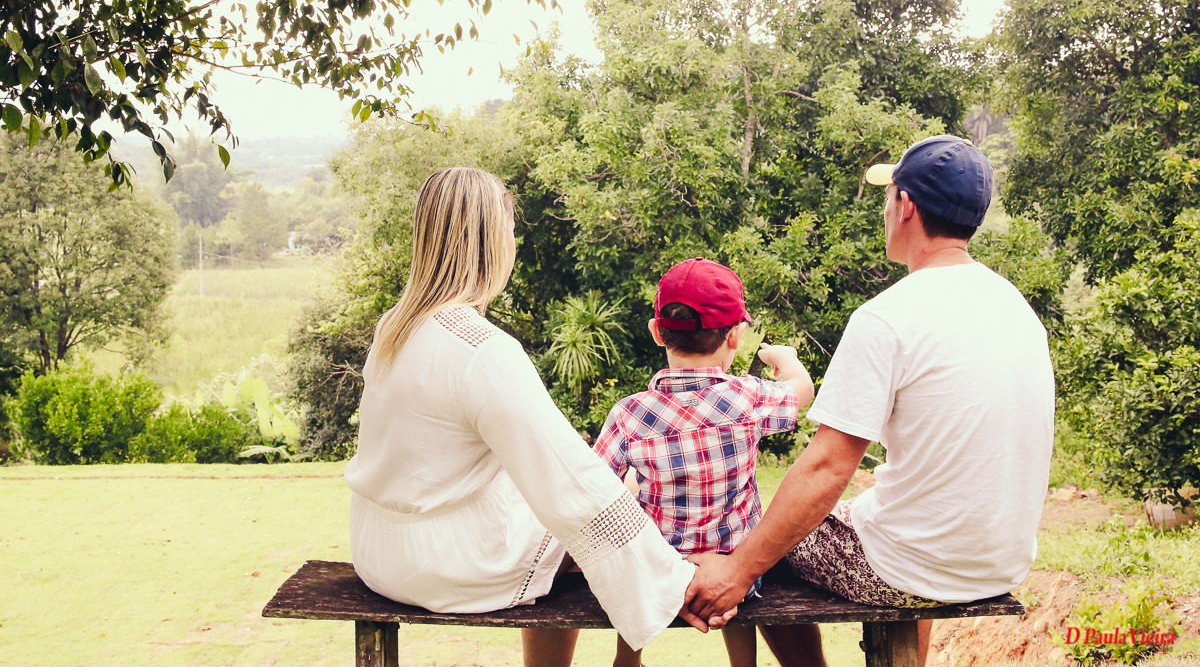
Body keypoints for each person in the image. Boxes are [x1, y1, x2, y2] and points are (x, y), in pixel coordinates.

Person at [682, 135, 1056, 667]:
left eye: (889, 195)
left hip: (913, 569)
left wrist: (736, 572)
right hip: (1001, 561)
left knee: (750, 531)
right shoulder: (1014, 306)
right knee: (856, 514)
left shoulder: (887, 317)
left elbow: (826, 468)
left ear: (905, 206)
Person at [344, 167, 702, 667]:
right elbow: (570, 480)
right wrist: (675, 577)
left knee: (552, 500)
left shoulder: (395, 326)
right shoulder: (482, 349)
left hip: (378, 550)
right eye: (510, 230)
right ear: (491, 243)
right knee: (612, 494)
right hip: (447, 561)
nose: (514, 242)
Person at [594, 257, 814, 667]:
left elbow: (594, 489)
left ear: (657, 331)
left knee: (638, 568)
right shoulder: (749, 398)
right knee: (740, 551)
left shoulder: (630, 413)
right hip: (737, 575)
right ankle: (742, 662)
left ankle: (629, 659)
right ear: (735, 337)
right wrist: (785, 358)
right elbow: (802, 390)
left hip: (659, 574)